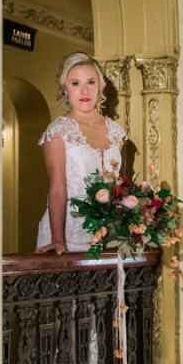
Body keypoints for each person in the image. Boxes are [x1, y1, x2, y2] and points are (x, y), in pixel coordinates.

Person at [37, 52, 127, 253]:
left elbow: (118, 185)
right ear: (65, 89)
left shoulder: (116, 131)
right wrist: (58, 240)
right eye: (75, 83)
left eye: (91, 82)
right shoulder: (58, 131)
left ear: (100, 86)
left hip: (108, 231)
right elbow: (57, 189)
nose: (84, 90)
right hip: (68, 231)